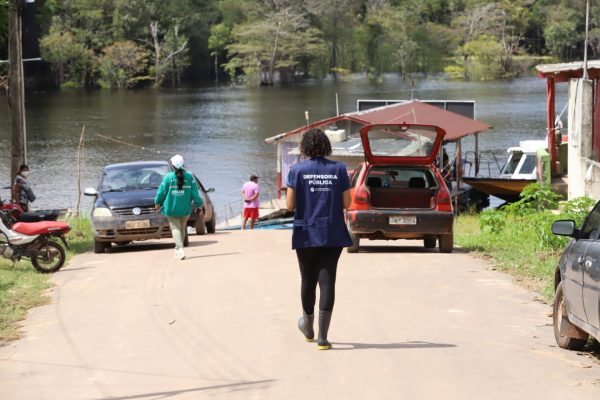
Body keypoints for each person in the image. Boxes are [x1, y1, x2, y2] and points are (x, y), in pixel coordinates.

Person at [286, 128, 353, 350]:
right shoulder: (339, 169)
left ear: (305, 147)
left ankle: (308, 328)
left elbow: (289, 206)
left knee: (307, 280)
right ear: (326, 146)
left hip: (306, 232)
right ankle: (323, 338)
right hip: (332, 233)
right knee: (327, 281)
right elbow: (347, 204)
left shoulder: (296, 170)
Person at [154, 155, 203, 260]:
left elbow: (162, 192)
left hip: (171, 208)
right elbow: (196, 194)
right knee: (182, 228)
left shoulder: (168, 177)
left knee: (175, 228)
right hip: (185, 208)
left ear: (172, 166)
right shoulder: (190, 177)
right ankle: (178, 249)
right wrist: (199, 205)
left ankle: (180, 249)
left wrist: (157, 202)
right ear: (182, 164)